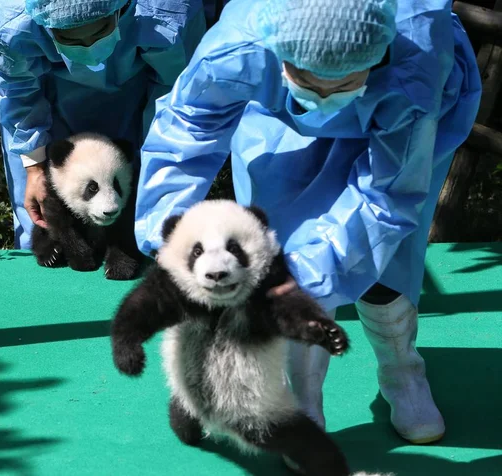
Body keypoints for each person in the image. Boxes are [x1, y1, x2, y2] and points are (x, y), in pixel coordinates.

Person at [133, 0, 482, 452]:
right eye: (309, 81)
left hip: (399, 123)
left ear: (378, 56)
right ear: (279, 55)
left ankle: (402, 371)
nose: (324, 96)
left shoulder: (416, 60)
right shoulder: (240, 44)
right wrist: (171, 236)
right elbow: (186, 128)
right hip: (280, 125)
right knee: (281, 234)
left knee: (386, 256)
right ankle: (303, 401)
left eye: (343, 83)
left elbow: (385, 197)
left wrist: (298, 282)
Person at [0, 0, 206, 249]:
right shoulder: (13, 24)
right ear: (43, 24)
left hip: (136, 93)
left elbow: (177, 92)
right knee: (44, 219)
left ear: (122, 7)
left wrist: (161, 161)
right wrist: (34, 167)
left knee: (149, 201)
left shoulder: (164, 11)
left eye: (100, 32)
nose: (88, 48)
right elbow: (16, 93)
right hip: (47, 98)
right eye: (70, 38)